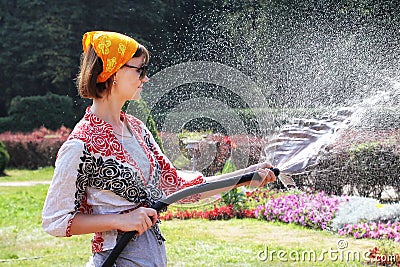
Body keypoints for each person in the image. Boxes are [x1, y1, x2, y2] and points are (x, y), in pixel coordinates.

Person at [42, 31, 276, 267]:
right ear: (113, 72)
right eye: (140, 70)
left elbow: (180, 188)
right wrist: (121, 221)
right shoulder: (81, 145)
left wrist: (246, 175)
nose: (146, 79)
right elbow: (56, 221)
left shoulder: (137, 129)